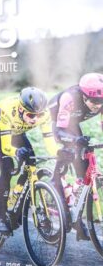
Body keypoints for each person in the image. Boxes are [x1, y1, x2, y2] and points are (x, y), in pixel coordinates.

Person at [0, 87, 54, 234]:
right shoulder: (7, 110)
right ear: (21, 109)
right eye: (31, 115)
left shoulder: (45, 114)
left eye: (39, 114)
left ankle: (16, 197)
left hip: (17, 132)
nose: (35, 119)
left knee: (31, 163)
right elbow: (5, 148)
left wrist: (58, 153)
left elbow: (49, 141)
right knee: (7, 167)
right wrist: (16, 151)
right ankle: (0, 216)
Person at [47, 72, 103, 240]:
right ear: (84, 96)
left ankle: (77, 210)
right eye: (93, 101)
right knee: (70, 150)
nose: (97, 106)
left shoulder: (100, 101)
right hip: (58, 122)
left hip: (74, 123)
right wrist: (74, 141)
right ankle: (55, 183)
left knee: (85, 169)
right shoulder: (70, 98)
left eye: (100, 102)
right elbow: (60, 131)